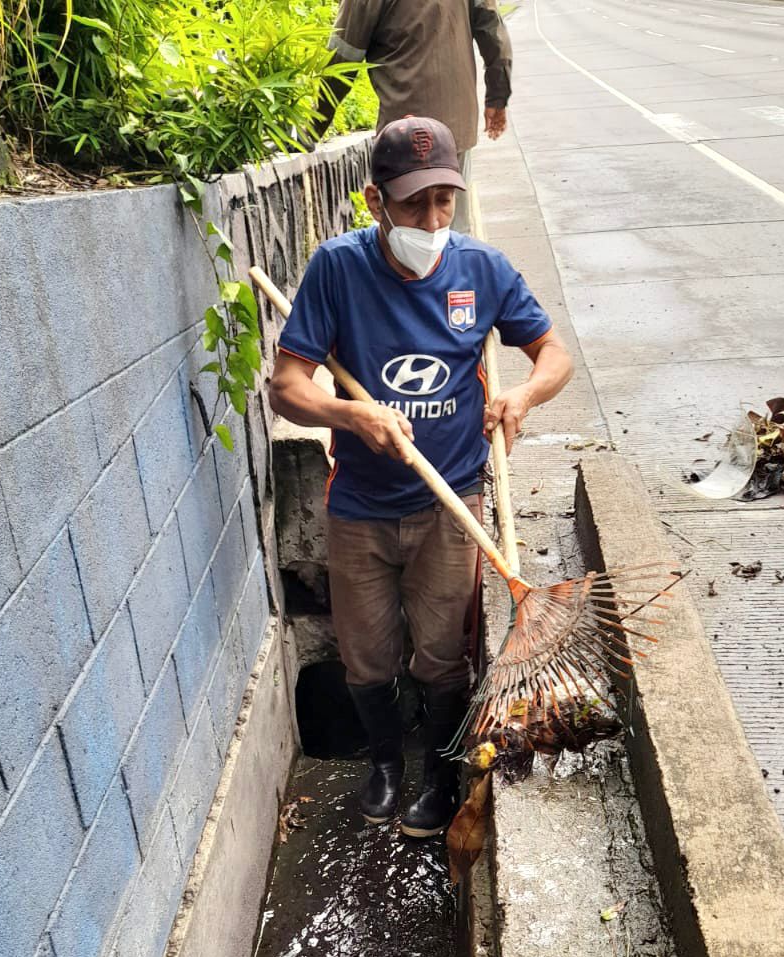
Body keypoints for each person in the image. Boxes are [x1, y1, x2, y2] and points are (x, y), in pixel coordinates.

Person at [269, 116, 573, 837]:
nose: (433, 220)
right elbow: (288, 386)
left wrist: (521, 395)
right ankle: (385, 761)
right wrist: (351, 416)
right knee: (366, 656)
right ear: (375, 201)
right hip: (362, 506)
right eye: (414, 205)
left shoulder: (483, 270)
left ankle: (438, 772)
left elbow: (552, 351)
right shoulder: (337, 270)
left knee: (440, 658)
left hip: (452, 505)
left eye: (445, 200)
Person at [313, 0, 513, 233]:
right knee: (453, 228)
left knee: (405, 234)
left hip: (403, 136)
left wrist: (313, 124)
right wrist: (498, 96)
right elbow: (492, 29)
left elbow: (344, 56)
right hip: (454, 126)